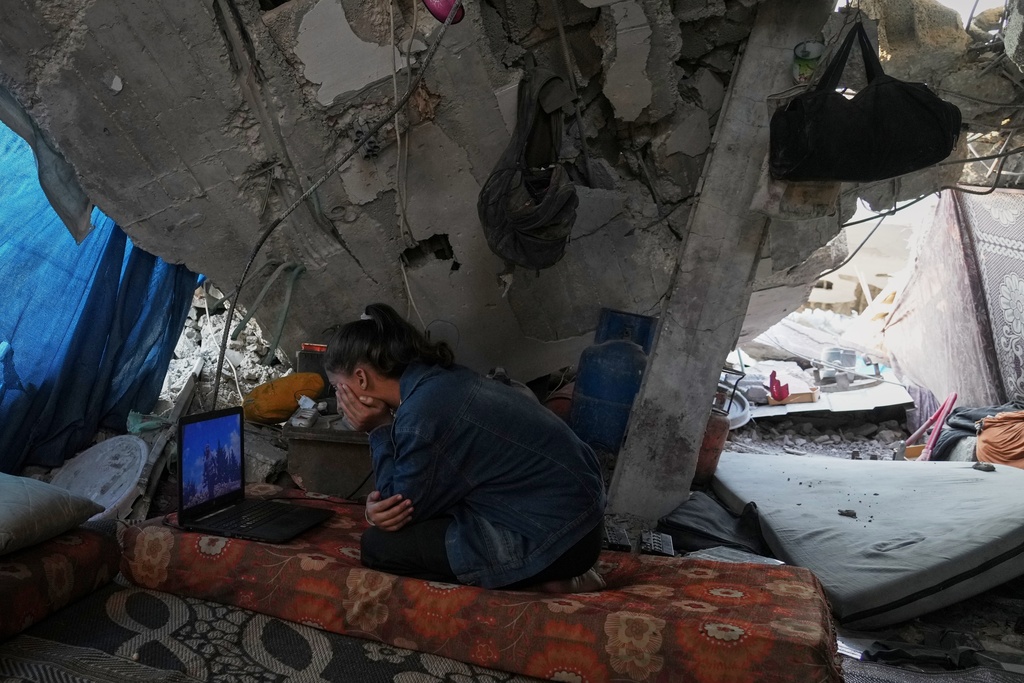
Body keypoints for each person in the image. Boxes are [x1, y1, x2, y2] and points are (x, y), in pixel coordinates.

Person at [324, 303, 607, 592]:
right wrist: (380, 508)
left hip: (558, 540)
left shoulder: (422, 414)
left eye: (337, 387)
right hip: (580, 524)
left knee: (379, 547)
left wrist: (379, 429)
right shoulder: (439, 381)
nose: (339, 398)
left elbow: (398, 511)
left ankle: (542, 579)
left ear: (361, 378)